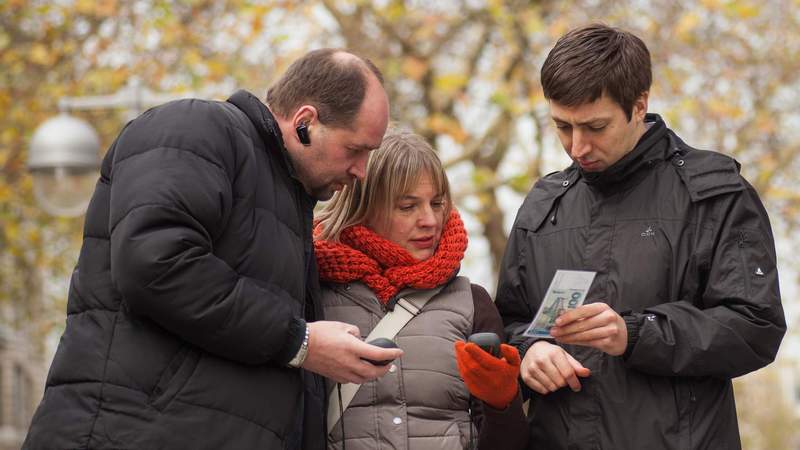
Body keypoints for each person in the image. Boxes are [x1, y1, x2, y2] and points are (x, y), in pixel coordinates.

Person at [23, 48, 403, 450]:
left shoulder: (286, 204)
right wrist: (301, 342)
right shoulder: (194, 128)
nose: (361, 171)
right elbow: (155, 262)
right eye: (356, 150)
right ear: (305, 123)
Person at [495, 24, 786, 450]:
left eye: (595, 127)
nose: (577, 147)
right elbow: (508, 322)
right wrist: (527, 354)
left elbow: (755, 326)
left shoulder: (715, 194)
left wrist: (636, 333)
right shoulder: (543, 206)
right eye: (562, 126)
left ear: (638, 106)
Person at [314, 131, 528, 450]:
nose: (429, 220)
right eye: (407, 206)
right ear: (364, 206)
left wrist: (503, 403)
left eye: (437, 203)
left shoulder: (473, 303)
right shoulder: (313, 290)